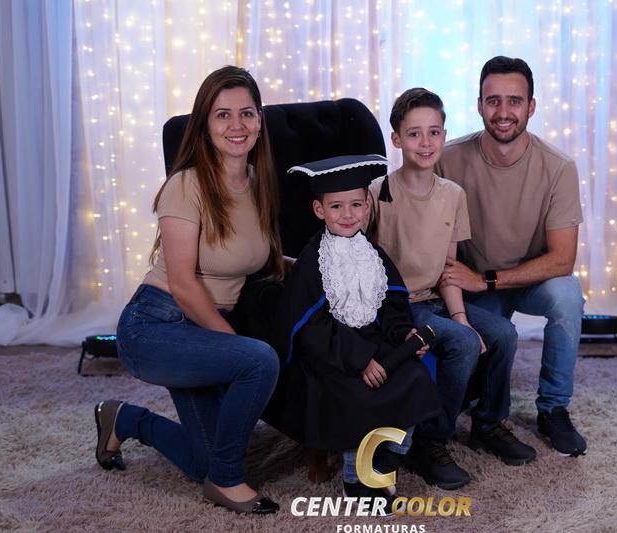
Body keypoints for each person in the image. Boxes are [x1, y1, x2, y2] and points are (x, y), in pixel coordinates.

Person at [94, 65, 284, 515]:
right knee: (259, 360)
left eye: (247, 113)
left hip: (199, 329)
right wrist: (233, 345)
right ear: (204, 124)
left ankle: (123, 418)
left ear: (260, 121)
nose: (237, 125)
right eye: (223, 115)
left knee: (202, 459)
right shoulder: (187, 184)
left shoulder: (257, 183)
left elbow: (260, 259)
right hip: (155, 325)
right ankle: (226, 481)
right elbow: (181, 283)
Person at [367, 88, 534, 491]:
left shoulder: (453, 195)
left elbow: (449, 269)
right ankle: (431, 439)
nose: (425, 143)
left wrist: (461, 317)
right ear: (397, 139)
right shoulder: (376, 193)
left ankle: (488, 422)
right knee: (461, 343)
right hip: (400, 307)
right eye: (414, 134)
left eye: (434, 132)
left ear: (444, 135)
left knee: (503, 332)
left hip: (438, 300)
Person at [269, 154, 443, 513]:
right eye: (336, 206)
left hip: (375, 343)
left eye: (356, 205)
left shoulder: (373, 254)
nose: (347, 214)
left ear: (367, 207)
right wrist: (360, 359)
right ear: (319, 210)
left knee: (415, 376)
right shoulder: (312, 262)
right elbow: (311, 327)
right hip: (333, 354)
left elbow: (392, 303)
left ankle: (387, 457)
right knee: (357, 394)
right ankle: (356, 478)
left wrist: (403, 335)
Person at [436, 56, 587, 457]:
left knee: (568, 296)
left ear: (531, 107)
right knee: (485, 355)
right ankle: (480, 414)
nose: (504, 112)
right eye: (494, 101)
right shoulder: (448, 158)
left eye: (515, 101)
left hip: (530, 278)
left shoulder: (559, 167)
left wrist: (487, 280)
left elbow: (563, 260)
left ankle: (553, 408)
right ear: (479, 105)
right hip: (475, 281)